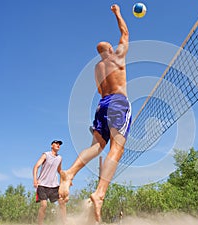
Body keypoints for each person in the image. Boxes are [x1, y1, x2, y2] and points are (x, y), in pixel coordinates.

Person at [59, 4, 131, 224]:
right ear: (110, 49)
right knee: (116, 149)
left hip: (101, 105)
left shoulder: (97, 68)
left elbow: (100, 91)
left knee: (96, 147)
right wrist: (118, 13)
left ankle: (69, 173)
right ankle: (99, 193)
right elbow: (125, 34)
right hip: (118, 101)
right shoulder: (117, 56)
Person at [33, 140, 67, 225]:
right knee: (44, 205)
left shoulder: (59, 158)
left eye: (59, 144)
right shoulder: (46, 155)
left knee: (62, 203)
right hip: (42, 185)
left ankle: (65, 223)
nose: (58, 145)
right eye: (56, 143)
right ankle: (39, 224)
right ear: (52, 145)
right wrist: (35, 180)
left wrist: (66, 179)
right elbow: (36, 167)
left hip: (54, 186)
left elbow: (59, 170)